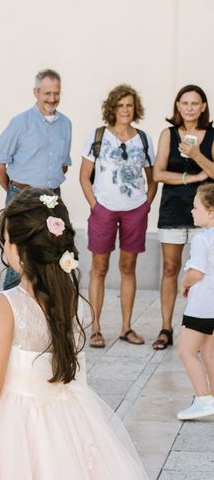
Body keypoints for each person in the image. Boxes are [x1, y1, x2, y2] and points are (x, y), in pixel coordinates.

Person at [0, 188, 148, 479]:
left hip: (13, 422)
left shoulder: (7, 304)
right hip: (65, 418)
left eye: (6, 240)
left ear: (20, 249)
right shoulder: (70, 298)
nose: (4, 247)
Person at [79, 85, 157, 348]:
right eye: (121, 105)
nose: (125, 110)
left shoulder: (143, 139)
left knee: (128, 267)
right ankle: (96, 328)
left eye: (129, 105)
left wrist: (145, 204)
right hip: (104, 209)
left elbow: (152, 178)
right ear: (112, 108)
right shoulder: (98, 136)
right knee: (99, 268)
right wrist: (95, 206)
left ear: (135, 108)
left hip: (135, 209)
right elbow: (83, 177)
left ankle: (126, 327)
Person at [0, 68, 72, 289]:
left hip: (53, 197)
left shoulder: (66, 124)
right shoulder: (20, 123)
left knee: (51, 253)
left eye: (56, 93)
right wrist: (14, 191)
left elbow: (64, 164)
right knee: (18, 254)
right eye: (47, 93)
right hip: (22, 195)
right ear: (36, 92)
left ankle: (44, 306)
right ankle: (9, 308)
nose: (52, 99)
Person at [152, 85, 214, 350]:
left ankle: (202, 328)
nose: (189, 108)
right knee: (170, 268)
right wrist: (193, 177)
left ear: (203, 107)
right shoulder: (168, 134)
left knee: (206, 271)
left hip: (207, 213)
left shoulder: (211, 135)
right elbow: (158, 174)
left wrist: (197, 154)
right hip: (173, 210)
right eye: (184, 103)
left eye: (194, 103)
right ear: (177, 106)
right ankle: (166, 328)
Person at [176, 184, 214, 420]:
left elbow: (197, 272)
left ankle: (203, 400)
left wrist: (184, 282)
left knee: (186, 351)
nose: (192, 211)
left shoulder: (202, 239)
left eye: (196, 207)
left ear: (211, 211)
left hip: (201, 306)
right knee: (210, 352)